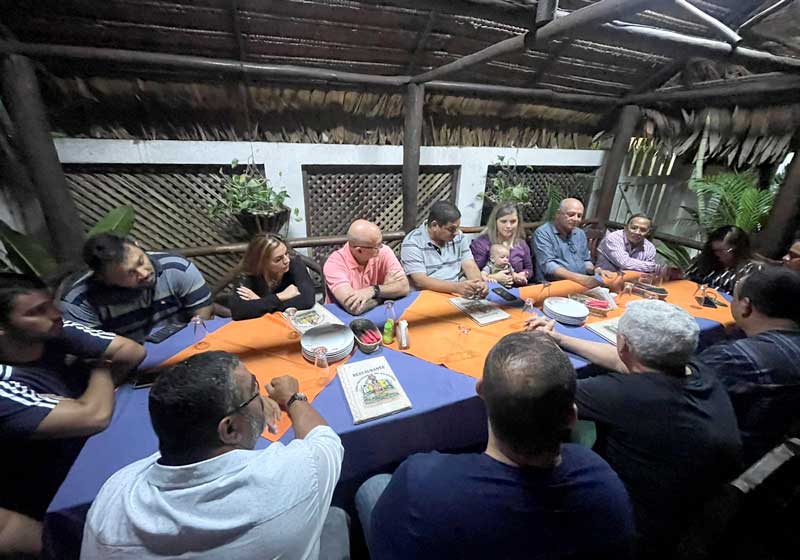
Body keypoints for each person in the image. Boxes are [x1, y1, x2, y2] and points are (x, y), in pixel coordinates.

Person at [356, 332, 635, 560]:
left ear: (480, 392)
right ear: (572, 416)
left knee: (373, 487)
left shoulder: (420, 480)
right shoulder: (603, 482)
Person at [527, 300, 742, 559]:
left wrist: (538, 348)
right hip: (693, 511)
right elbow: (624, 363)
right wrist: (559, 338)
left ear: (624, 344)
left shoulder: (622, 395)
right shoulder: (695, 369)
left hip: (633, 527)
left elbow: (539, 395)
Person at [81, 351, 346, 559]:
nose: (260, 397)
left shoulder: (112, 499)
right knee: (335, 516)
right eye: (254, 391)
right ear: (229, 428)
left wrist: (246, 410)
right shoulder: (293, 475)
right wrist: (292, 397)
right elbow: (325, 440)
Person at [0, 274, 145, 557]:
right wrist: (101, 370)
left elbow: (132, 351)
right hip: (50, 493)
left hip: (89, 448)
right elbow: (94, 416)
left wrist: (86, 396)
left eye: (50, 304)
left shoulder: (55, 330)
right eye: (35, 312)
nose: (55, 314)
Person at [696, 266, 800, 465]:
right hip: (771, 450)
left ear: (746, 306)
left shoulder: (734, 358)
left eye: (733, 297)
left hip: (721, 458)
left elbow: (672, 393)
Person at [60, 233, 214, 342]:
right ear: (103, 278)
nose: (144, 273)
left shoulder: (176, 268)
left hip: (186, 344)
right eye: (130, 273)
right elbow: (94, 353)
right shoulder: (79, 303)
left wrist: (198, 325)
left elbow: (203, 308)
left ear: (137, 245)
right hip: (130, 365)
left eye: (140, 261)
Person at [400, 201, 488, 298]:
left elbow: (469, 264)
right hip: (426, 295)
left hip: (455, 293)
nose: (456, 233)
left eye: (458, 228)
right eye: (452, 229)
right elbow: (420, 281)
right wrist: (456, 287)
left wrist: (478, 284)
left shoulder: (459, 237)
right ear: (434, 226)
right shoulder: (412, 242)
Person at [324, 219, 410, 315]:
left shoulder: (384, 251)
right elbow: (354, 307)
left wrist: (374, 290)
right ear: (359, 250)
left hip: (377, 313)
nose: (381, 248)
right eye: (376, 246)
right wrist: (386, 293)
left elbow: (404, 287)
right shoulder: (335, 263)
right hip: (341, 320)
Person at [229, 233, 316, 320]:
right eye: (278, 259)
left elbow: (307, 300)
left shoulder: (294, 263)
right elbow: (238, 312)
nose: (287, 260)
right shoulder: (247, 275)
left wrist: (260, 302)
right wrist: (280, 296)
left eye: (286, 253)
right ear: (262, 262)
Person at [531, 198, 600, 287]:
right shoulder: (543, 233)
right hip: (553, 285)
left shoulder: (580, 233)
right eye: (571, 214)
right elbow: (548, 265)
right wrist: (579, 278)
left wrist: (596, 270)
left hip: (581, 283)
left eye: (579, 216)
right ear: (558, 214)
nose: (576, 219)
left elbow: (586, 261)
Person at [470, 202, 533, 286]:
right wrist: (494, 277)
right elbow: (473, 273)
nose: (508, 226)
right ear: (495, 222)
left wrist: (523, 274)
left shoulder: (521, 244)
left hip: (516, 288)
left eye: (513, 221)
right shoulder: (481, 243)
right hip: (488, 289)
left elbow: (529, 269)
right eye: (503, 221)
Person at [687, 225, 761, 294]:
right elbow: (688, 277)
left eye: (721, 251)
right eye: (715, 250)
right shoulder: (708, 259)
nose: (717, 254)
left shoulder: (749, 272)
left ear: (737, 250)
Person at [596, 213, 672, 275]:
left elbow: (647, 273)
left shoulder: (649, 247)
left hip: (632, 283)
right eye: (633, 228)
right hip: (605, 279)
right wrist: (655, 268)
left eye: (643, 230)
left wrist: (651, 268)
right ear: (626, 227)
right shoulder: (613, 238)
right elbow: (624, 263)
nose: (637, 232)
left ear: (648, 232)